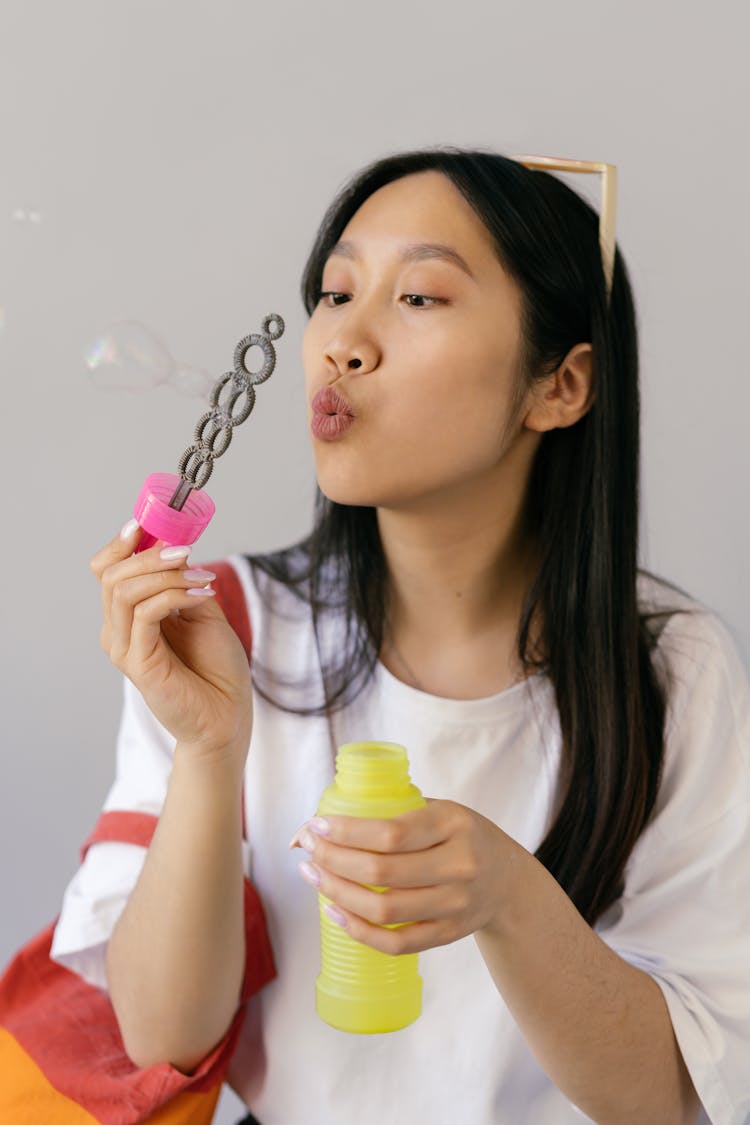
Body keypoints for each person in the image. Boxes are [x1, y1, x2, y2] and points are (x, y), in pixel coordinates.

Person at [51, 147, 749, 1125]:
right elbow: (162, 1035)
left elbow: (674, 1097)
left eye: (419, 298)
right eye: (336, 292)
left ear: (562, 386)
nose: (343, 341)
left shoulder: (669, 673)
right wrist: (212, 751)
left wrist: (510, 895)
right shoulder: (220, 627)